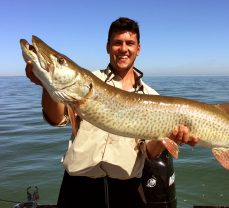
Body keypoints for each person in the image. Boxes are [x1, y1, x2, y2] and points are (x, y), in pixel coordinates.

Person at [25, 17, 198, 208]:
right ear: (108, 47)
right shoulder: (87, 81)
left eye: (129, 43)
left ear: (138, 49)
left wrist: (169, 138)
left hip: (126, 191)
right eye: (117, 43)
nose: (123, 48)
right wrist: (46, 85)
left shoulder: (151, 96)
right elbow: (56, 118)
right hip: (78, 188)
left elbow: (149, 152)